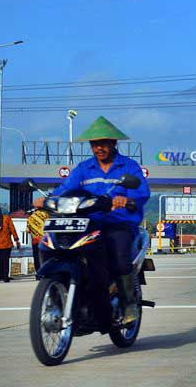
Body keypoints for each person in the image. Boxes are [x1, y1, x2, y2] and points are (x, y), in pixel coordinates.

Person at [33, 115, 150, 325]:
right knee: (52, 246)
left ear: (113, 143)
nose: (99, 148)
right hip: (88, 222)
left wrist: (127, 199)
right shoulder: (84, 169)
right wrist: (48, 199)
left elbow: (142, 191)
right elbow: (65, 189)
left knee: (120, 257)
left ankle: (128, 302)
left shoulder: (128, 167)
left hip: (119, 223)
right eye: (95, 144)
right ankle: (63, 291)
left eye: (104, 143)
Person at [0, 205, 21, 282]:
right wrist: (16, 240)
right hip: (6, 243)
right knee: (5, 261)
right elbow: (12, 229)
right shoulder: (7, 218)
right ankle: (5, 277)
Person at [26, 208, 49, 280]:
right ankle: (46, 273)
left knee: (36, 257)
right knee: (46, 257)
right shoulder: (46, 216)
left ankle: (38, 274)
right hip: (45, 240)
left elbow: (27, 231)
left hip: (35, 240)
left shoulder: (30, 218)